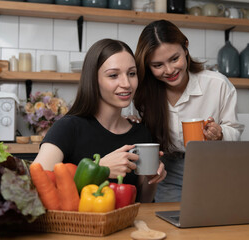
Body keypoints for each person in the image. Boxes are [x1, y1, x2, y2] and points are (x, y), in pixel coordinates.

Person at [33, 38, 166, 203]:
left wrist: (151, 179)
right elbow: (34, 189)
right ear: (94, 80)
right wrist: (99, 170)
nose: (126, 84)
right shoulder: (67, 128)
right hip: (76, 228)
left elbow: (143, 203)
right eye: (113, 75)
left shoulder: (140, 133)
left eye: (131, 73)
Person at [133, 20, 244, 202]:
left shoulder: (217, 84)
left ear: (185, 48)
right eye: (158, 65)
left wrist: (220, 134)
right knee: (171, 224)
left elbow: (235, 131)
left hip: (214, 167)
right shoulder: (143, 93)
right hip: (169, 171)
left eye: (174, 59)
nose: (169, 70)